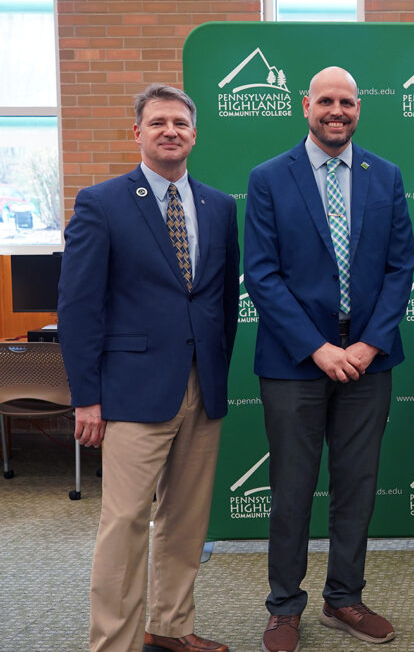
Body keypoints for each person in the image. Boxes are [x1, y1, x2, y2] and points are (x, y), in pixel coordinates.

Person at [59, 84, 239, 652]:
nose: (170, 131)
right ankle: (114, 642)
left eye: (180, 123)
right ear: (137, 132)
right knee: (126, 525)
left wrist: (215, 370)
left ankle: (170, 626)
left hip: (201, 386)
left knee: (186, 523)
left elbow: (222, 303)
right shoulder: (102, 202)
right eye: (158, 122)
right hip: (132, 391)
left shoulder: (219, 206)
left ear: (194, 133)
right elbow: (78, 306)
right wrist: (87, 397)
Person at [244, 66, 414, 651]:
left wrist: (368, 343)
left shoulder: (385, 176)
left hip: (368, 360)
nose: (335, 111)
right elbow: (261, 275)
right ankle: (284, 607)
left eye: (346, 101)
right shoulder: (269, 178)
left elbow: (401, 268)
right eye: (325, 101)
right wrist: (318, 348)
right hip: (295, 361)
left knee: (357, 485)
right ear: (305, 106)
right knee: (292, 487)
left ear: (359, 108)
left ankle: (344, 598)